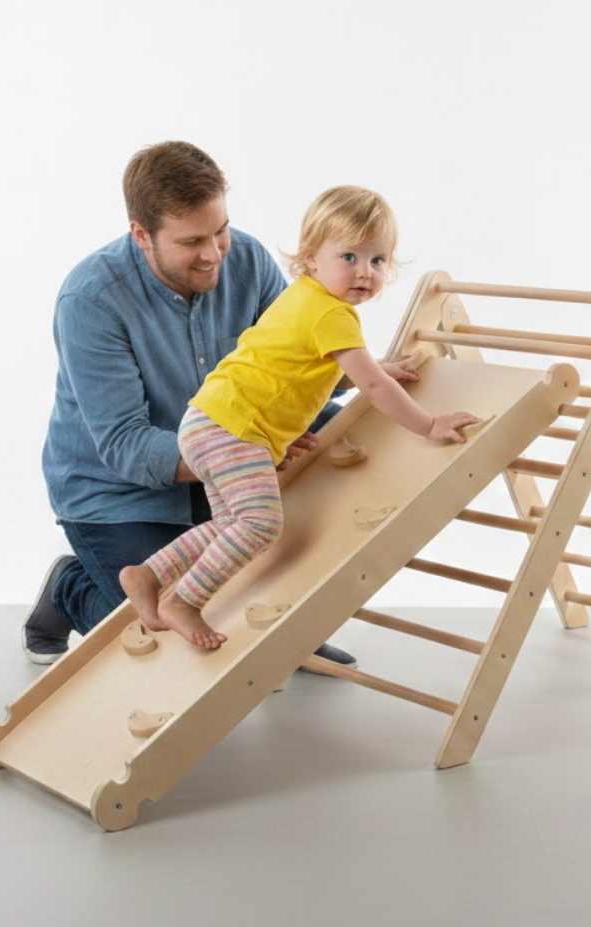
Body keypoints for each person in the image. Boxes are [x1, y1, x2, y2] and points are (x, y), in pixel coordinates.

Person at [23, 142, 358, 669]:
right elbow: (125, 445)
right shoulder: (90, 300)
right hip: (120, 494)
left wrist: (365, 367)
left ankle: (289, 625)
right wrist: (249, 453)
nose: (215, 252)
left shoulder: (246, 257)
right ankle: (70, 588)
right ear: (142, 235)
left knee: (348, 452)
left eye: (220, 229)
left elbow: (290, 366)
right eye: (192, 241)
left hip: (229, 465)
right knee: (157, 634)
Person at [119, 185, 480, 649]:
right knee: (261, 524)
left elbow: (325, 370)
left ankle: (150, 574)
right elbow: (370, 385)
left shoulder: (303, 298)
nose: (364, 272)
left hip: (206, 421)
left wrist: (378, 369)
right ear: (311, 259)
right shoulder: (335, 316)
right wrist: (429, 424)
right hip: (235, 430)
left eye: (377, 260)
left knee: (231, 523)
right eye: (348, 256)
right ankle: (184, 600)